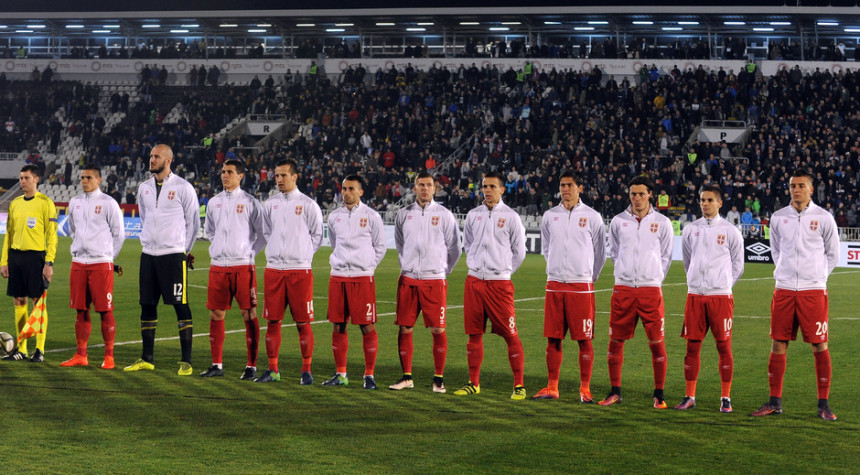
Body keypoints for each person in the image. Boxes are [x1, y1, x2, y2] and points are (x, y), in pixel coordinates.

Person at [751, 168, 840, 421]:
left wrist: (817, 278)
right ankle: (774, 402)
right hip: (784, 289)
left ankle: (823, 404)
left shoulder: (824, 218)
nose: (796, 190)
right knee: (778, 343)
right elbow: (776, 251)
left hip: (813, 291)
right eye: (793, 186)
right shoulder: (779, 217)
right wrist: (785, 275)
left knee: (819, 344)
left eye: (801, 185)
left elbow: (833, 255)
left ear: (811, 189)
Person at [124, 144, 200, 375]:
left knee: (180, 305)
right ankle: (147, 358)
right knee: (147, 305)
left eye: (156, 156)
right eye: (151, 156)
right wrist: (148, 242)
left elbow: (193, 222)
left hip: (173, 256)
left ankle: (186, 361)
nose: (151, 160)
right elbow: (145, 216)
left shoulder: (183, 188)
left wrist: (182, 250)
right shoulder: (144, 187)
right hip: (149, 255)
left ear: (168, 160)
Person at [599, 175, 673, 408]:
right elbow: (615, 252)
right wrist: (623, 274)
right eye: (633, 194)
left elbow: (666, 256)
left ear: (650, 194)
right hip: (623, 289)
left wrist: (653, 278)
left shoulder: (662, 222)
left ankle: (659, 395)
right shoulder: (619, 221)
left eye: (641, 194)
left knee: (657, 344)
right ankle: (615, 391)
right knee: (615, 342)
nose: (637, 198)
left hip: (650, 290)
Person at [532, 171, 606, 402]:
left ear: (580, 188)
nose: (565, 189)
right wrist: (555, 270)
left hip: (581, 285)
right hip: (554, 285)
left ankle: (585, 389)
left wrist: (587, 276)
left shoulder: (592, 217)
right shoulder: (550, 215)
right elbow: (547, 248)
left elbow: (600, 253)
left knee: (584, 339)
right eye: (563, 185)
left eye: (570, 185)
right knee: (553, 338)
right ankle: (552, 387)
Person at [454, 170, 527, 400]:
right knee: (474, 334)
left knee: (510, 334)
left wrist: (503, 272)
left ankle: (519, 385)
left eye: (492, 187)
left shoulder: (512, 217)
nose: (487, 190)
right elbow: (469, 244)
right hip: (474, 282)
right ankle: (473, 383)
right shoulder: (473, 215)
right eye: (484, 186)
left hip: (499, 284)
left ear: (502, 190)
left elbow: (520, 252)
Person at [388, 172, 462, 393]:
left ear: (435, 188)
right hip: (409, 278)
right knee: (405, 328)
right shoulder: (403, 214)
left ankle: (438, 380)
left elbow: (455, 248)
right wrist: (408, 265)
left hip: (434, 280)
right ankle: (406, 377)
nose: (424, 188)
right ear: (414, 187)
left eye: (428, 185)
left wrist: (442, 269)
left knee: (438, 329)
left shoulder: (445, 215)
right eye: (420, 184)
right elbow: (400, 244)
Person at [674, 184, 744, 413]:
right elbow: (687, 261)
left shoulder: (730, 231)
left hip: (720, 297)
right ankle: (690, 395)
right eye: (702, 200)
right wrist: (695, 282)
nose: (705, 204)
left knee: (724, 346)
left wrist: (722, 285)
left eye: (709, 200)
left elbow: (738, 266)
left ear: (719, 203)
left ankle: (725, 397)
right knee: (692, 347)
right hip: (695, 296)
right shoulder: (690, 229)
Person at [257, 159, 323, 384]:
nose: (279, 179)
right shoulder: (270, 204)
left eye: (283, 175)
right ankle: (273, 369)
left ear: (295, 177)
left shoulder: (308, 204)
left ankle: (306, 371)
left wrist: (301, 256)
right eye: (276, 175)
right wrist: (277, 253)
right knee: (272, 321)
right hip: (274, 270)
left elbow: (317, 236)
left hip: (299, 272)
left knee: (302, 322)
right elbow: (266, 233)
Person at [199, 160, 267, 380]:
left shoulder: (250, 202)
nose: (224, 176)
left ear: (240, 176)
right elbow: (210, 231)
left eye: (229, 172)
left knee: (248, 313)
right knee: (216, 313)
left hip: (242, 267)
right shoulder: (214, 203)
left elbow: (263, 234)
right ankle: (216, 365)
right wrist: (220, 249)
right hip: (218, 266)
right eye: (222, 172)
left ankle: (251, 366)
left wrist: (247, 253)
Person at [323, 175, 386, 389]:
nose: (346, 192)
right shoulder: (334, 217)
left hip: (362, 278)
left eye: (351, 188)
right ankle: (341, 374)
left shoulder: (372, 216)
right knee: (338, 325)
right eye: (343, 188)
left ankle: (369, 375)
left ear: (360, 192)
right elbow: (334, 243)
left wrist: (366, 266)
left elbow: (380, 247)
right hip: (338, 277)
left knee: (366, 326)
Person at [60, 165, 125, 369]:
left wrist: (107, 257)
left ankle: (109, 357)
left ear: (99, 180)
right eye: (82, 177)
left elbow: (119, 234)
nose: (84, 181)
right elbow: (72, 230)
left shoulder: (109, 203)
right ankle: (81, 355)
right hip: (79, 263)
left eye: (88, 177)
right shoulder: (75, 203)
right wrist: (80, 248)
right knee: (81, 310)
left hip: (100, 264)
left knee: (105, 311)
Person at [1, 165, 57, 362]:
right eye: (21, 178)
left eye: (25, 178)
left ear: (36, 179)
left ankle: (39, 350)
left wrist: (48, 262)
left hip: (36, 258)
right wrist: (4, 261)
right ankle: (21, 349)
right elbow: (9, 234)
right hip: (16, 258)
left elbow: (52, 237)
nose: (22, 181)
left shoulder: (45, 203)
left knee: (38, 303)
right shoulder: (15, 203)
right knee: (19, 301)